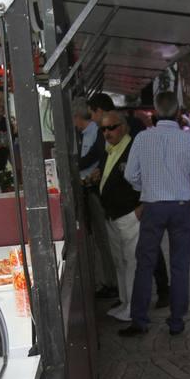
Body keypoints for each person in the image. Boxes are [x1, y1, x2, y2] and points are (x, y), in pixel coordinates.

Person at [120, 91, 190, 337]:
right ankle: (177, 321)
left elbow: (130, 175)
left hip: (153, 206)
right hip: (182, 206)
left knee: (145, 263)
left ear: (155, 113)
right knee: (180, 264)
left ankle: (139, 320)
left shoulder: (142, 138)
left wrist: (145, 188)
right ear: (178, 112)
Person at [97, 111, 140, 322]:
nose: (107, 132)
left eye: (111, 127)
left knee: (131, 262)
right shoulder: (110, 150)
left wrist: (141, 207)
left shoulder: (133, 148)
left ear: (122, 127)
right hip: (113, 214)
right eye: (103, 129)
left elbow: (146, 178)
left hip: (129, 212)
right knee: (120, 262)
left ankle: (133, 307)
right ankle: (125, 302)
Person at [78, 93, 120, 299]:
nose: (92, 118)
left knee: (110, 243)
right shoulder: (103, 131)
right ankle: (115, 285)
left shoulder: (107, 131)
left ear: (99, 111)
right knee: (108, 242)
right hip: (107, 194)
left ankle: (116, 286)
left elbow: (99, 156)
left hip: (113, 197)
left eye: (93, 113)